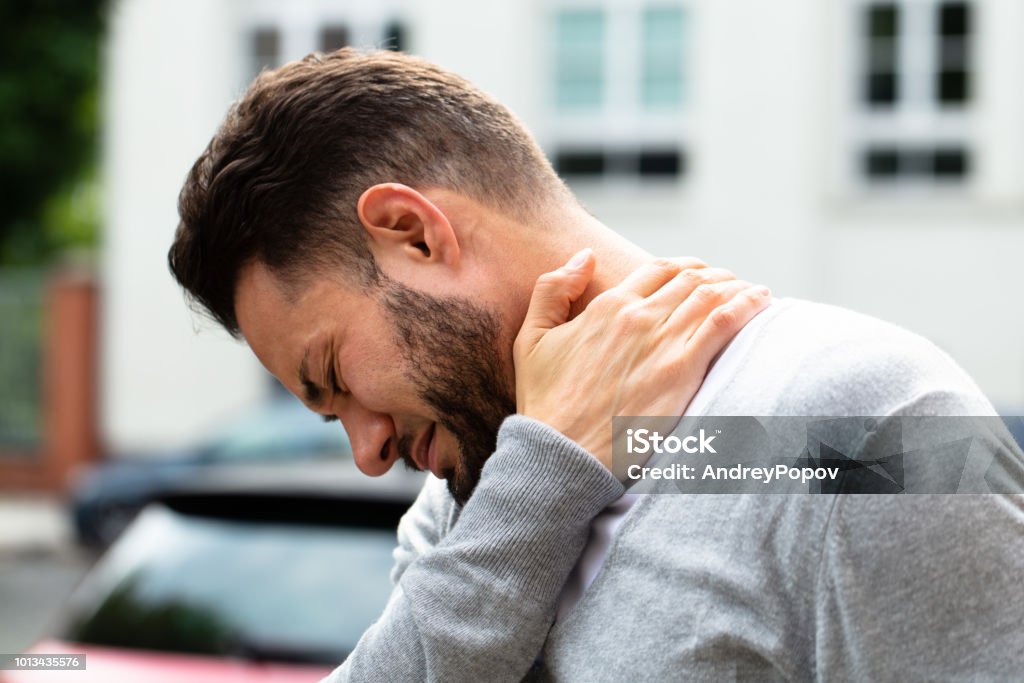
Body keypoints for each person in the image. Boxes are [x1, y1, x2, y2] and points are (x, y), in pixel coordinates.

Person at [167, 49, 1024, 681]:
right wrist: (543, 474)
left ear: (416, 234)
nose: (367, 450)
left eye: (336, 377)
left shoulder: (864, 420)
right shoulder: (475, 496)